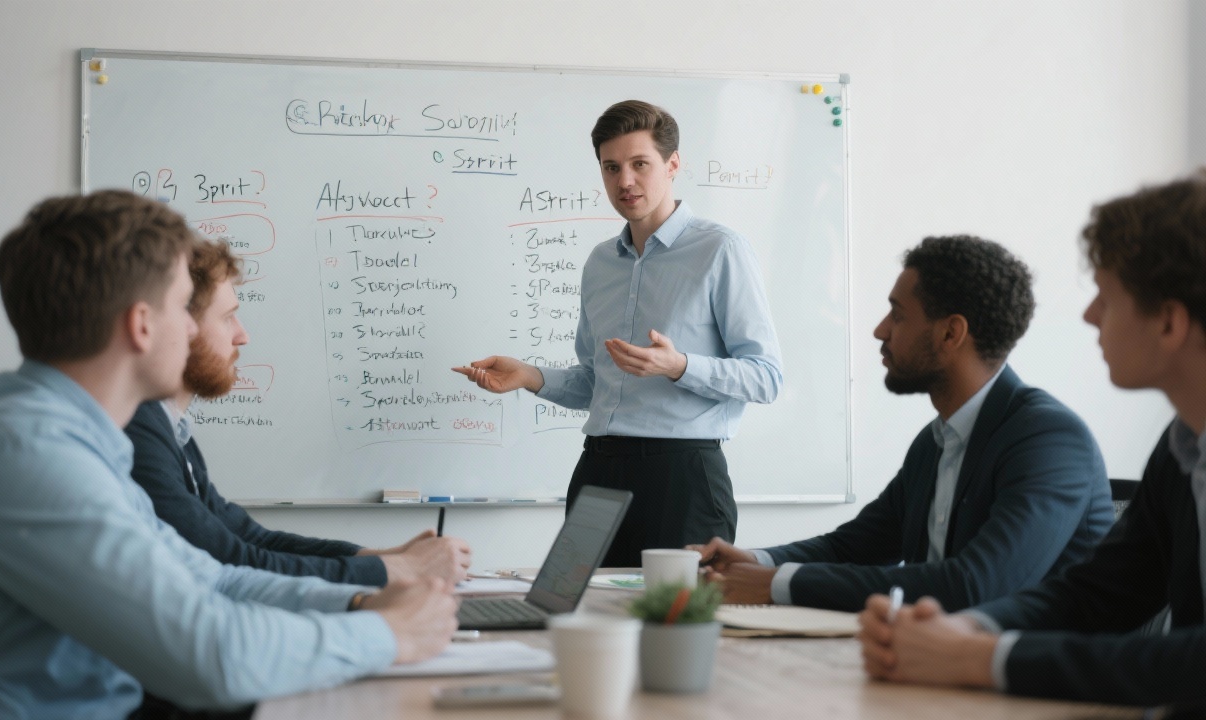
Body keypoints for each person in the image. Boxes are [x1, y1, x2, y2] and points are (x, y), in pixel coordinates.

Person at [0, 191, 457, 719]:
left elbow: (215, 579)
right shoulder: (27, 456)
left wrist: (359, 604)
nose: (192, 327)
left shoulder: (72, 439)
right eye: (183, 306)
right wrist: (388, 633)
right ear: (141, 325)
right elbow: (211, 658)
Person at [858, 172, 1206, 707]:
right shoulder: (1183, 445)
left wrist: (982, 657)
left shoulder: (1048, 433)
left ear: (1169, 323)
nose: (1089, 315)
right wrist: (966, 629)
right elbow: (1099, 594)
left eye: (1106, 297)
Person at [692, 236, 1112, 612]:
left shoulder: (1048, 440)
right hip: (933, 665)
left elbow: (975, 585)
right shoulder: (936, 442)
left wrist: (778, 584)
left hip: (1035, 688)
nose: (880, 330)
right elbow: (853, 546)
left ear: (951, 334)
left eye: (897, 315)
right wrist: (759, 561)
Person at [452, 99, 782, 566]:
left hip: (682, 477)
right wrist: (530, 375)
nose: (624, 181)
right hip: (599, 470)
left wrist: (678, 366)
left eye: (639, 164)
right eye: (611, 167)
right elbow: (596, 381)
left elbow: (766, 377)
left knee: (670, 625)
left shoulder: (720, 250)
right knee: (578, 610)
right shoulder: (601, 263)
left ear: (672, 165)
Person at [125, 238, 471, 587]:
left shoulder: (173, 430)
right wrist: (397, 571)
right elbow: (231, 560)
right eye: (228, 318)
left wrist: (385, 559)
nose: (242, 336)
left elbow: (253, 539)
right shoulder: (138, 430)